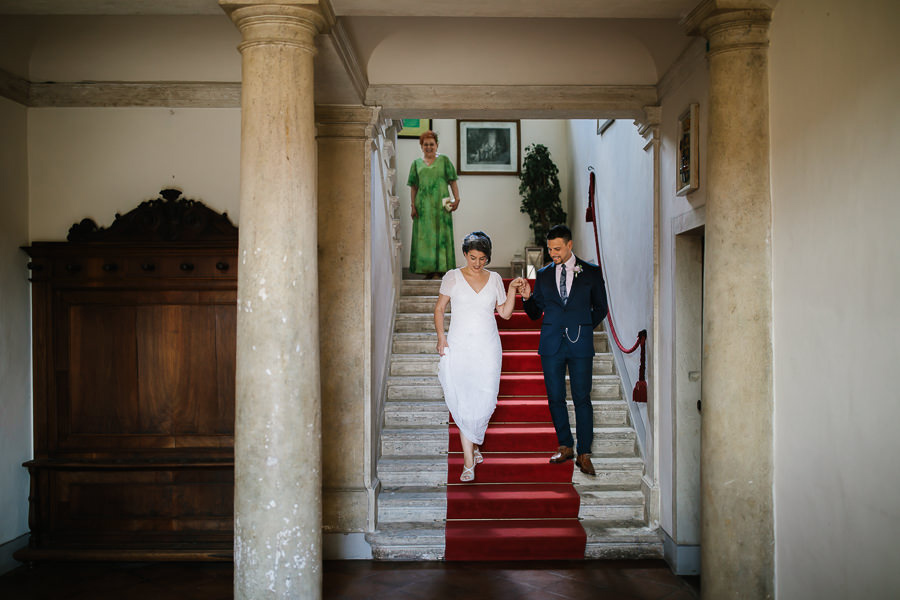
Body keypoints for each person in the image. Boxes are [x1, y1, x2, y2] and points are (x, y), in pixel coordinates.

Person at [433, 232, 525, 482]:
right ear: (465, 254)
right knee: (463, 399)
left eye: (482, 258)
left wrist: (512, 289)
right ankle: (468, 462)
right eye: (473, 257)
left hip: (487, 348)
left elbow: (504, 314)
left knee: (485, 399)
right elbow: (440, 309)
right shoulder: (452, 277)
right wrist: (442, 337)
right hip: (460, 346)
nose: (477, 263)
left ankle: (473, 443)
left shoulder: (494, 278)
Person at [519, 224, 608, 476]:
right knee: (555, 397)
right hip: (551, 345)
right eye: (550, 249)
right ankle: (565, 445)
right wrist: (527, 297)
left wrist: (583, 326)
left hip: (580, 344)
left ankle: (584, 453)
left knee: (582, 398)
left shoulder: (591, 272)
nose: (552, 253)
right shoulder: (544, 274)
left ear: (570, 245)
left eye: (557, 248)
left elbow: (601, 307)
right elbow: (536, 314)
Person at [408, 130, 461, 279]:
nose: (429, 147)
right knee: (424, 238)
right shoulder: (416, 164)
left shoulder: (444, 161)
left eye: (432, 144)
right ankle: (428, 271)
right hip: (423, 207)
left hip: (440, 207)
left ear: (437, 145)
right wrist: (413, 205)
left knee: (441, 236)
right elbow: (413, 186)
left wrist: (457, 199)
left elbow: (452, 181)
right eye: (426, 144)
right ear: (421, 146)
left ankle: (440, 270)